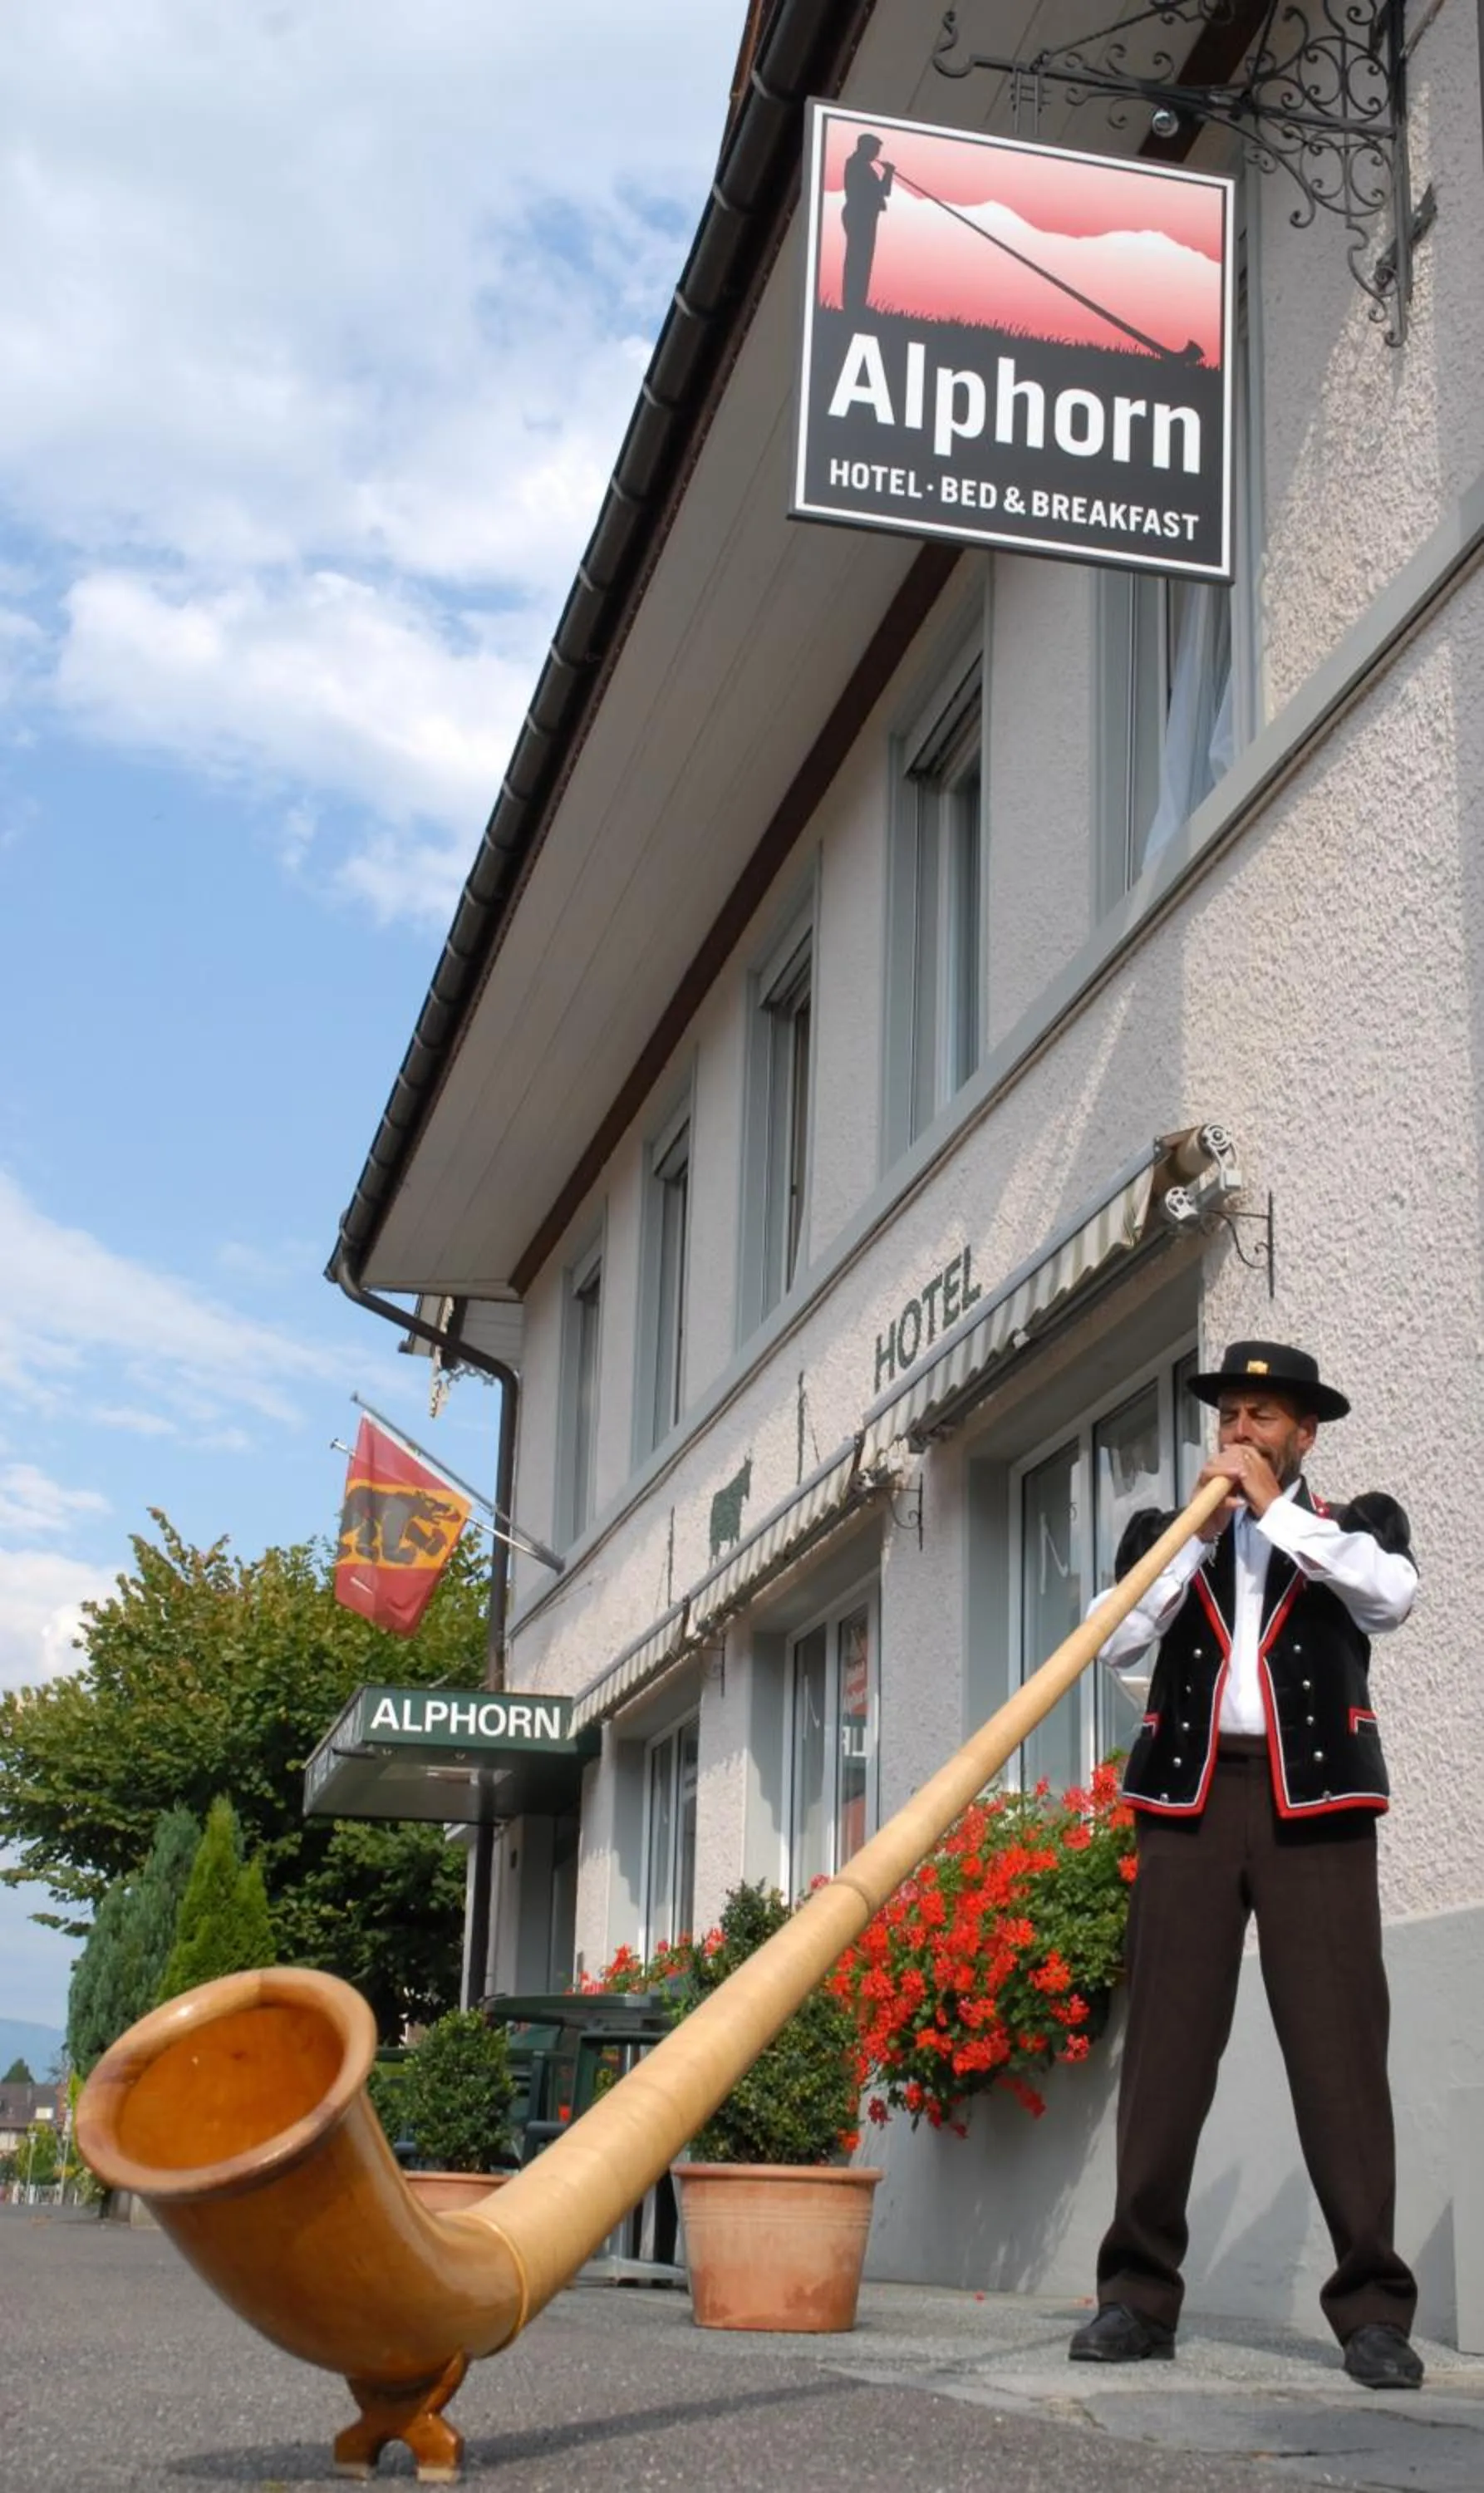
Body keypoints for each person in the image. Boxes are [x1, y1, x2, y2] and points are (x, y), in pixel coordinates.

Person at [1069, 1340, 1422, 2391]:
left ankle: (1371, 2310)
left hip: (1314, 1805)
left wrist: (1274, 1515)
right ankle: (1135, 2298)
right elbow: (1113, 1641)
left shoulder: (1355, 1524)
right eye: (1229, 1414)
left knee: (1339, 2050)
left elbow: (1389, 1599)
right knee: (1166, 2054)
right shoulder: (1167, 1535)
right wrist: (1199, 1534)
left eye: (1262, 1416)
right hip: (1189, 1802)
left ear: (1303, 1433)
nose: (1239, 1431)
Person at [841, 133, 894, 317]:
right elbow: (881, 191)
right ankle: (853, 305)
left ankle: (857, 304)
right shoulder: (857, 165)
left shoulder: (862, 166)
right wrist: (888, 173)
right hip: (859, 216)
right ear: (866, 147)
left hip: (865, 217)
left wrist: (888, 174)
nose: (877, 153)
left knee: (862, 260)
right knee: (858, 260)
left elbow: (883, 192)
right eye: (875, 149)